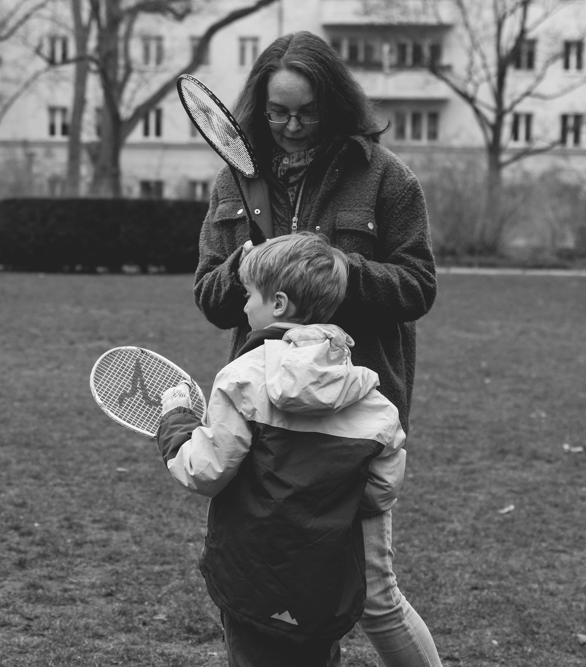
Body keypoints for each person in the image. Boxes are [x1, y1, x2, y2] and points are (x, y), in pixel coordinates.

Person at [192, 32, 441, 667]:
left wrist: (338, 270)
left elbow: (418, 287)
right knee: (264, 586)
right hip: (265, 416)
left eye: (306, 112)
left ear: (333, 104)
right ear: (259, 107)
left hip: (352, 414)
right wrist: (244, 272)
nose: (292, 127)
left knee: (376, 595)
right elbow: (211, 296)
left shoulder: (385, 178)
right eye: (278, 113)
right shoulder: (233, 181)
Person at [158, 233, 408, 667]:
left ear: (277, 304)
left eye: (248, 294)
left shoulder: (242, 377)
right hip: (326, 582)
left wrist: (176, 420)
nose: (242, 306)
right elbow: (381, 492)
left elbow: (204, 471)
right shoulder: (374, 401)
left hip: (251, 574)